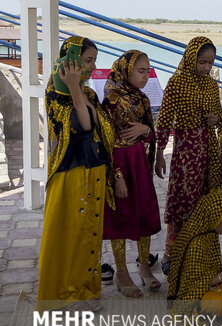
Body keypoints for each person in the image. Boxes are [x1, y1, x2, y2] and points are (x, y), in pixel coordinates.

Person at [37, 36, 115, 311]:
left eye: (94, 60)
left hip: (93, 170)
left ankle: (85, 289)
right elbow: (83, 124)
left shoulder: (89, 93)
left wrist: (78, 90)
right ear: (69, 62)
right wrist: (72, 88)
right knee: (70, 233)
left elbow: (102, 128)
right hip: (70, 173)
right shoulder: (54, 94)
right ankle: (66, 295)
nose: (93, 66)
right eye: (87, 60)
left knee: (89, 233)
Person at [155, 36, 222, 275]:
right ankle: (173, 252)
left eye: (210, 63)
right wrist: (160, 152)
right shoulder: (176, 83)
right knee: (183, 201)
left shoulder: (212, 85)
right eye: (202, 62)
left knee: (206, 201)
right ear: (191, 57)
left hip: (209, 149)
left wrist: (216, 119)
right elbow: (163, 121)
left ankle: (201, 253)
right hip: (186, 151)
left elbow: (218, 117)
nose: (206, 68)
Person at [101, 50, 162, 298]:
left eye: (148, 70)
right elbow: (107, 140)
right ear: (126, 70)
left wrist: (145, 128)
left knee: (144, 214)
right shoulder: (112, 100)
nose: (146, 76)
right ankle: (121, 272)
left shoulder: (143, 99)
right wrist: (117, 176)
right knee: (121, 217)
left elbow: (150, 133)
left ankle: (145, 267)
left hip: (139, 162)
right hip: (120, 165)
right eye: (140, 71)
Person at [167, 190, 222, 316]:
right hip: (194, 298)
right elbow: (193, 286)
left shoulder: (209, 233)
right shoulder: (196, 244)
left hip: (210, 286)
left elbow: (208, 271)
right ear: (215, 217)